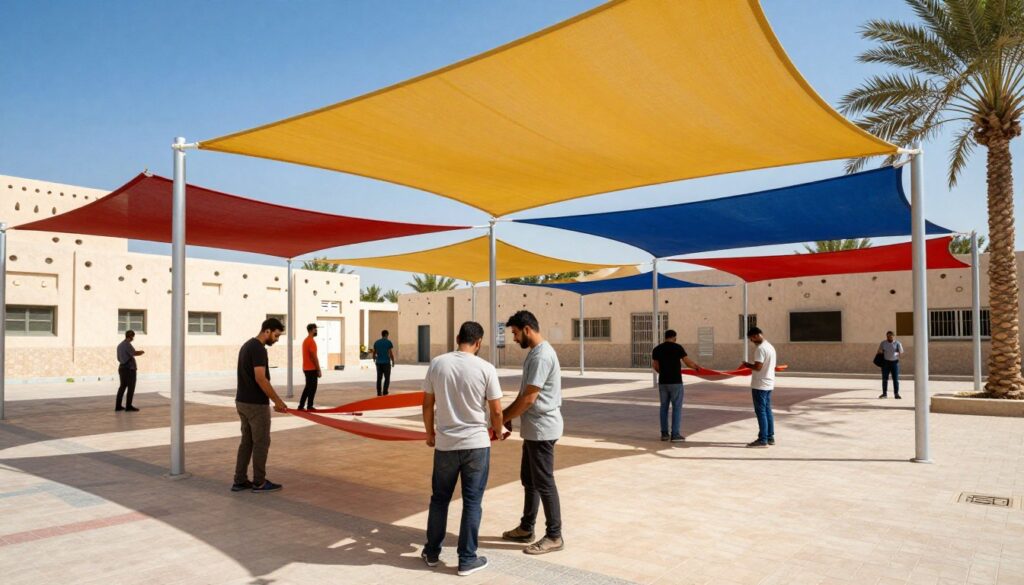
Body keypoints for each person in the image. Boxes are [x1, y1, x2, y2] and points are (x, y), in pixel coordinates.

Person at [421, 321, 505, 576]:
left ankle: (432, 552)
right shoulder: (486, 368)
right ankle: (467, 558)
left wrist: (429, 433)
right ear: (478, 342)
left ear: (458, 338)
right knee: (472, 501)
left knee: (439, 499)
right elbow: (497, 410)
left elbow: (427, 405)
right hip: (476, 445)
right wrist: (498, 431)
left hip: (446, 444)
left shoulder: (437, 363)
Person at [500, 310, 565, 555]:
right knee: (530, 480)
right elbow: (523, 393)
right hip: (534, 429)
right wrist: (509, 417)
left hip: (542, 429)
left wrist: (502, 417)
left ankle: (555, 536)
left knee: (544, 482)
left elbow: (529, 399)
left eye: (515, 333)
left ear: (527, 329)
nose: (514, 338)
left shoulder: (542, 356)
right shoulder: (535, 354)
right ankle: (526, 528)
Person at [232, 318, 289, 493]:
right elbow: (260, 378)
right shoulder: (258, 349)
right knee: (261, 443)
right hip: (255, 405)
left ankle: (240, 480)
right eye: (276, 335)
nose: (277, 339)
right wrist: (278, 401)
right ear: (267, 331)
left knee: (247, 443)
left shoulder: (247, 345)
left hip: (242, 401)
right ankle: (259, 482)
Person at [652, 329, 702, 442]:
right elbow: (687, 362)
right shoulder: (678, 347)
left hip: (663, 382)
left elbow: (655, 365)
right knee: (677, 408)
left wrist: (663, 373)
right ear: (674, 337)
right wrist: (697, 367)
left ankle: (664, 434)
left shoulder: (657, 349)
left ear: (665, 337)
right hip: (676, 382)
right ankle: (675, 435)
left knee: (663, 408)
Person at [741, 326, 777, 448]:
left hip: (760, 384)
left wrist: (746, 365)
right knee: (767, 410)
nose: (752, 341)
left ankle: (763, 440)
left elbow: (758, 367)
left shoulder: (760, 349)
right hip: (769, 383)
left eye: (751, 338)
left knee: (761, 411)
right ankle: (770, 436)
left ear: (756, 335)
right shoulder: (770, 347)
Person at [115, 330, 144, 412]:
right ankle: (128, 406)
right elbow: (133, 353)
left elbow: (118, 358)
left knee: (122, 387)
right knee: (131, 387)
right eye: (133, 337)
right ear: (131, 336)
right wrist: (141, 352)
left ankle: (118, 406)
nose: (133, 338)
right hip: (129, 369)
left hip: (121, 367)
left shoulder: (119, 345)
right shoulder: (127, 344)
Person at [297, 323, 322, 410]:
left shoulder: (305, 341)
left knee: (308, 387)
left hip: (306, 368)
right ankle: (309, 406)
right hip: (311, 368)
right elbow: (314, 357)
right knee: (312, 388)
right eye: (315, 329)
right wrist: (318, 369)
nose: (316, 331)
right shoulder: (311, 341)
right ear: (311, 330)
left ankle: (301, 406)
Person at [877, 331, 904, 400]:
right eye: (888, 336)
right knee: (885, 379)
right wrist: (881, 351)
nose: (889, 337)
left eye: (891, 336)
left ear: (893, 336)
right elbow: (879, 351)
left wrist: (897, 353)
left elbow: (901, 352)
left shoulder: (897, 343)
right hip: (885, 363)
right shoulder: (883, 343)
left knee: (895, 379)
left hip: (895, 363)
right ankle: (884, 394)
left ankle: (896, 394)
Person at [372, 330, 395, 396]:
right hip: (386, 363)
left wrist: (374, 358)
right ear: (386, 335)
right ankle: (385, 391)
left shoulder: (377, 342)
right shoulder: (388, 342)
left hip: (378, 363)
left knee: (379, 378)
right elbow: (390, 353)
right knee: (387, 378)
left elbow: (374, 352)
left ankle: (379, 392)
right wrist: (393, 361)